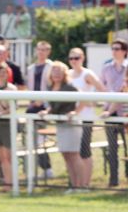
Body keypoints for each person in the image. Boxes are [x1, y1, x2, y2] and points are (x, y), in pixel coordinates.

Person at [39, 62, 85, 193]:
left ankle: (82, 186)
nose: (56, 74)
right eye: (54, 71)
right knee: (66, 155)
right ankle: (74, 185)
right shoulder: (51, 87)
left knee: (74, 155)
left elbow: (84, 99)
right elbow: (53, 106)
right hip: (60, 125)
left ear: (64, 73)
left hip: (71, 125)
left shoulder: (69, 87)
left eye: (59, 71)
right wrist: (47, 112)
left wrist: (75, 112)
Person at [68, 47, 105, 189]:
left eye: (76, 58)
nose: (73, 61)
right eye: (71, 58)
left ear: (82, 58)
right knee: (73, 151)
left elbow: (102, 90)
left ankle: (86, 183)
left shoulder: (87, 74)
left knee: (84, 151)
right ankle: (76, 183)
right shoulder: (69, 74)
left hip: (86, 117)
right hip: (72, 118)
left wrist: (91, 103)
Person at [100, 39, 128, 187]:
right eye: (113, 48)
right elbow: (102, 86)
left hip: (125, 112)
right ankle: (113, 178)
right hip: (110, 112)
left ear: (124, 51)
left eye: (118, 48)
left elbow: (123, 90)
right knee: (112, 147)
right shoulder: (106, 68)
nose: (115, 51)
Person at [26, 41, 55, 180]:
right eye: (39, 49)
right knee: (31, 140)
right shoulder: (31, 68)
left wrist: (42, 100)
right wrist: (32, 100)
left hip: (44, 106)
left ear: (48, 51)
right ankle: (37, 168)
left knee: (40, 139)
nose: (41, 52)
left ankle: (47, 168)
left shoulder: (52, 66)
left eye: (44, 50)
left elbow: (52, 86)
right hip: (32, 106)